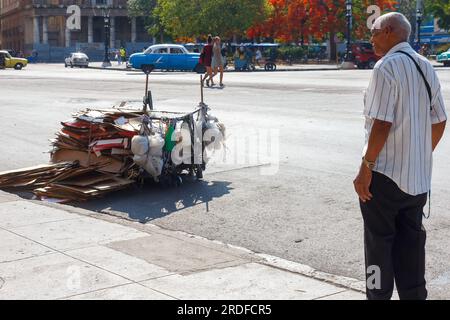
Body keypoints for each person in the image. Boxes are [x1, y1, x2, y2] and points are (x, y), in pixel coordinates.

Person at [353, 12, 447, 300]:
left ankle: (377, 296)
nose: (371, 37)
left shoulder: (386, 68)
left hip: (384, 179)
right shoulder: (425, 66)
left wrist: (366, 168)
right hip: (417, 181)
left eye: (375, 31)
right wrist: (418, 154)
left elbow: (381, 123)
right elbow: (440, 120)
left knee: (377, 247)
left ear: (390, 31)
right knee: (411, 247)